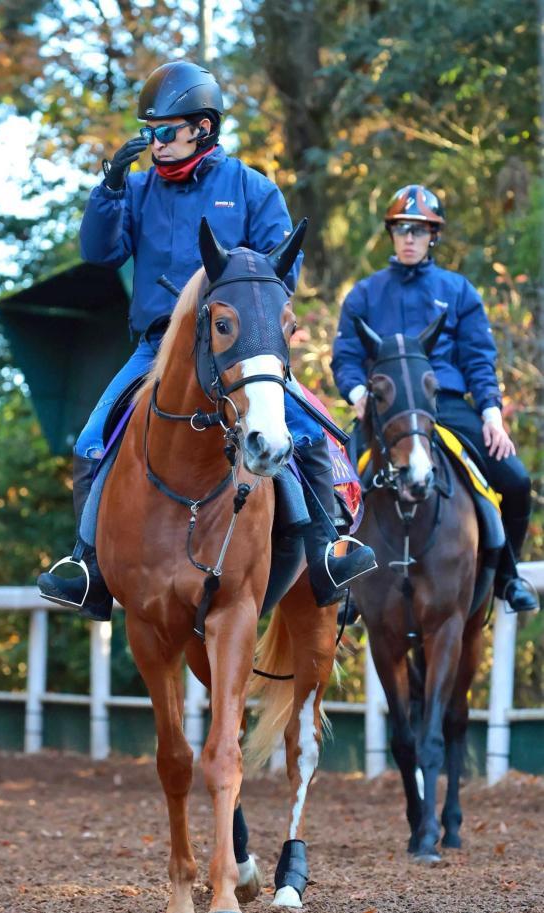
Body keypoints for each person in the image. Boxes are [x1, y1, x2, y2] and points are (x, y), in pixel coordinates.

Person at [37, 60, 376, 620]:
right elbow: (99, 254)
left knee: (311, 433)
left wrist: (230, 299)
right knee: (92, 441)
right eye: (149, 132)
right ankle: (87, 568)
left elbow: (281, 275)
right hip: (157, 351)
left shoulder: (251, 188)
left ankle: (326, 554)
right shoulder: (139, 189)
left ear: (203, 127)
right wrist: (110, 188)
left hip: (240, 347)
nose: (155, 144)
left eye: (166, 131)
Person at [332, 183, 538, 613]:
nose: (410, 238)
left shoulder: (459, 290)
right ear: (392, 233)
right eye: (402, 229)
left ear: (433, 237)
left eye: (420, 230)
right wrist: (357, 393)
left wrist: (492, 414)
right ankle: (346, 583)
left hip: (446, 403)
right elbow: (347, 357)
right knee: (333, 482)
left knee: (516, 480)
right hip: (384, 410)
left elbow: (480, 358)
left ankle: (507, 577)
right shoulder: (365, 293)